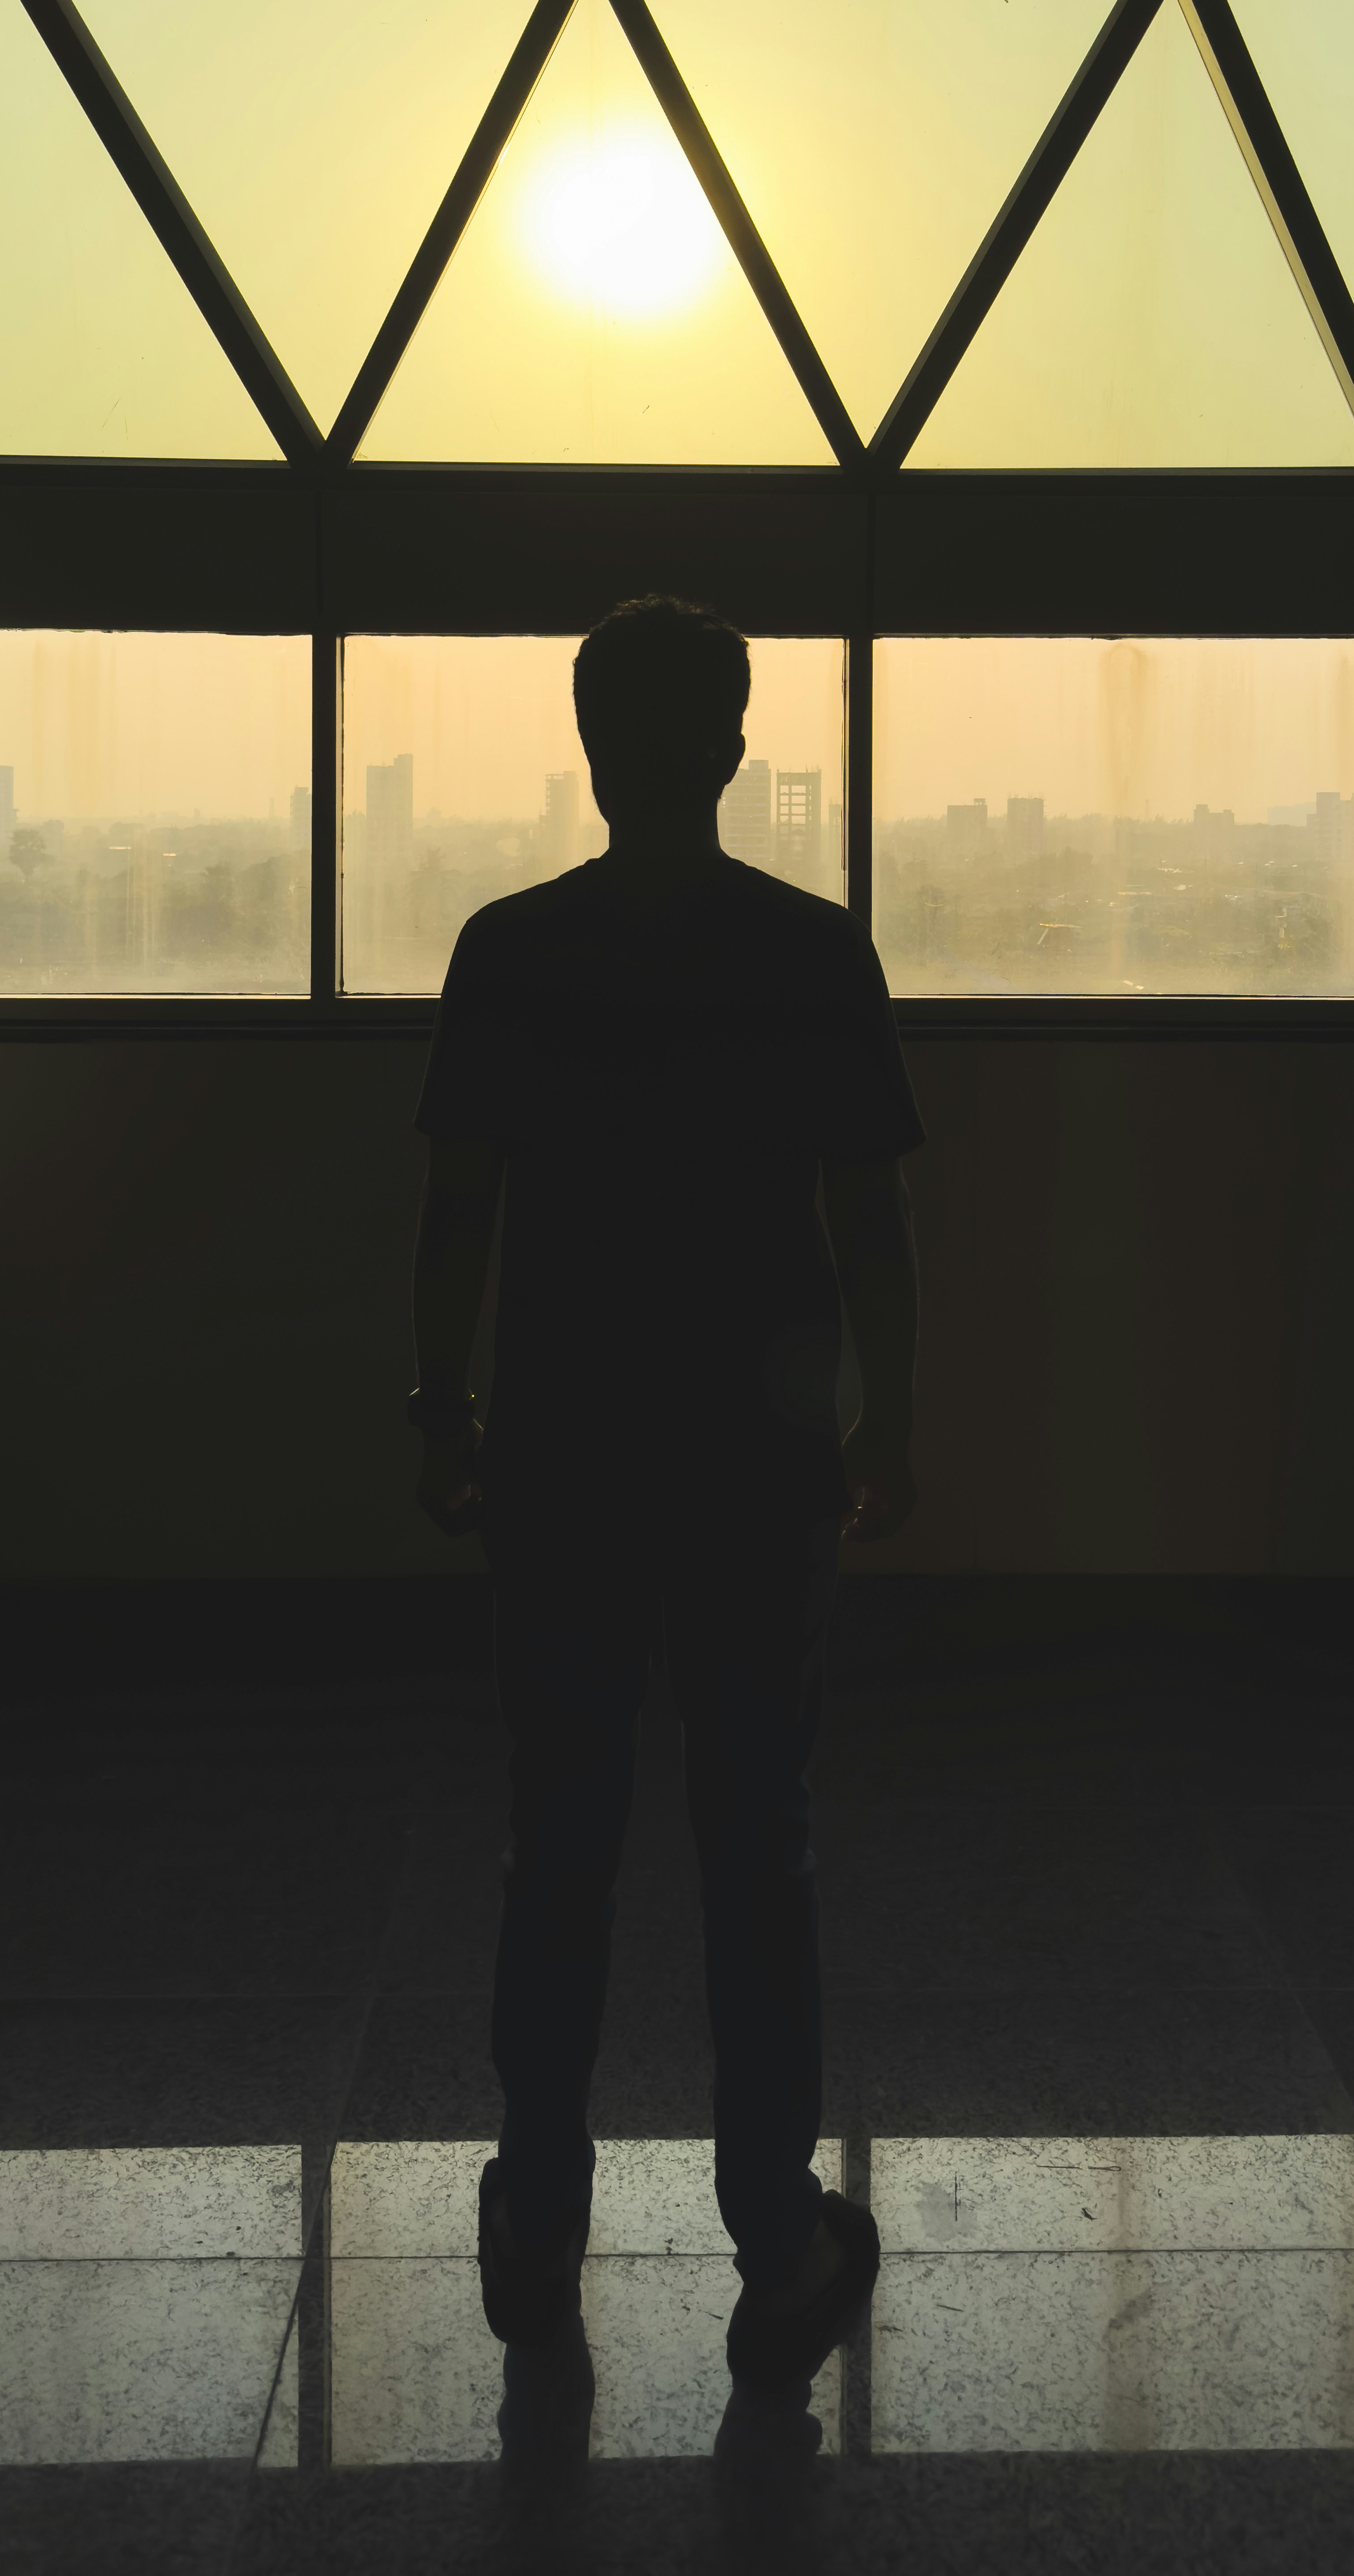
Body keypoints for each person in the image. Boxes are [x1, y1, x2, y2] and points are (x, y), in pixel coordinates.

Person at [406, 595, 924, 2390]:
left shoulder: (509, 948)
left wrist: (437, 1405)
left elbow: (459, 1207)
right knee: (752, 1843)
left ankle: (539, 2215)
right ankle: (771, 2235)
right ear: (725, 749)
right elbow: (865, 1213)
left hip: (560, 1442)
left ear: (588, 743)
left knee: (557, 1834)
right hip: (752, 1448)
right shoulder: (807, 952)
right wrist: (891, 1420)